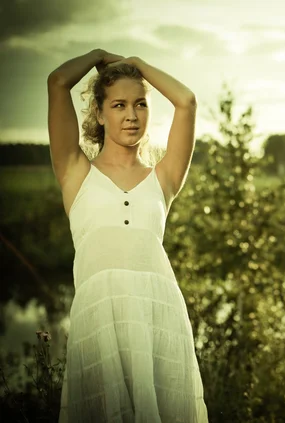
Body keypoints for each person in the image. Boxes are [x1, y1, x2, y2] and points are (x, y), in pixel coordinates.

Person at [47, 48, 209, 422]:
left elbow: (186, 101)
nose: (132, 115)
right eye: (119, 105)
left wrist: (138, 64)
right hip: (98, 315)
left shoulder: (163, 178)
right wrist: (98, 56)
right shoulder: (75, 173)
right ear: (100, 114)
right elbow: (58, 82)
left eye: (141, 105)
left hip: (158, 314)